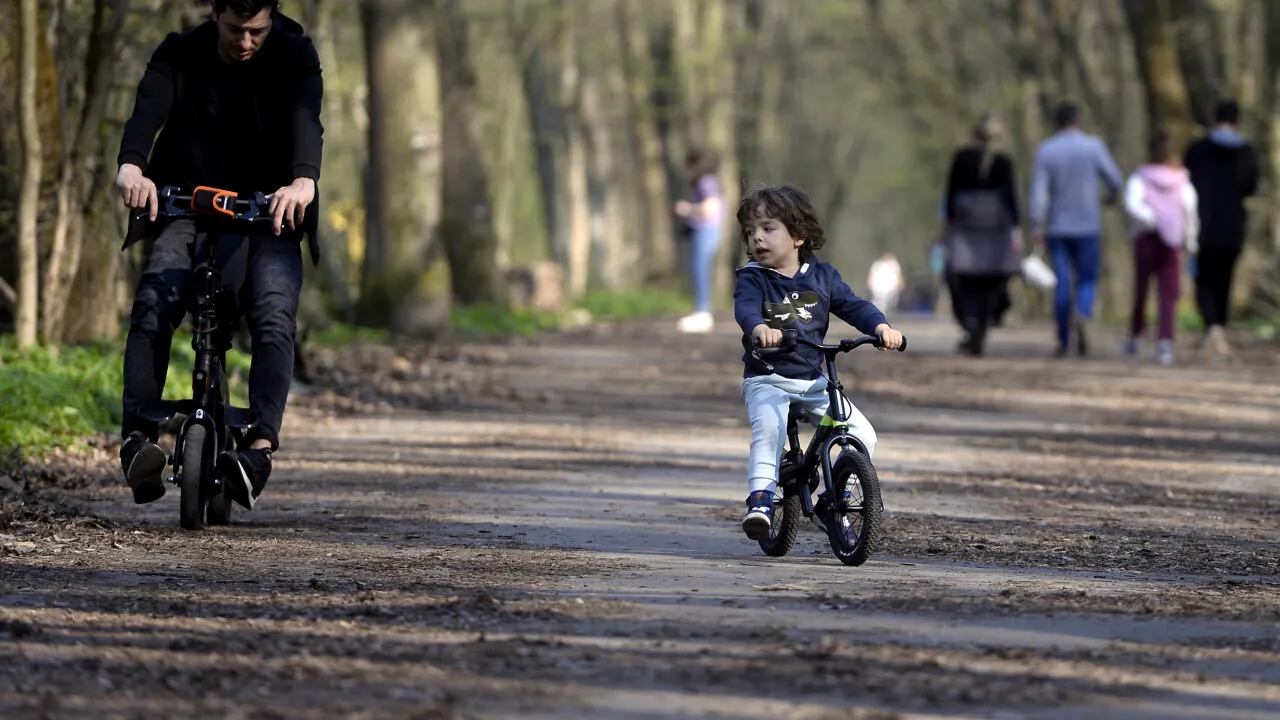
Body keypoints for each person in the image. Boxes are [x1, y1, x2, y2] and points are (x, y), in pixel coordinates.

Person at [115, 0, 323, 510]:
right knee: (152, 306)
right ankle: (137, 442)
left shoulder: (295, 55)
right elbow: (148, 111)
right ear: (214, 14)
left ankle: (256, 452)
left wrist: (302, 180)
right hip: (186, 207)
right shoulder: (180, 53)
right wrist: (132, 166)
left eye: (257, 31)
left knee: (274, 315)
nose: (245, 42)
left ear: (273, 16)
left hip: (268, 215)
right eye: (234, 29)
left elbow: (306, 120)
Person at [732, 185, 904, 539]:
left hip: (813, 380)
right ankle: (762, 500)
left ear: (798, 235)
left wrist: (881, 327)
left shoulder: (823, 276)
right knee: (769, 430)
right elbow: (746, 309)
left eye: (767, 228)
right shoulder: (753, 277)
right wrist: (760, 327)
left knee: (861, 433)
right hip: (768, 377)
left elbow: (853, 305)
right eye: (750, 232)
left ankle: (833, 495)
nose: (757, 239)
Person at [1029, 102, 1124, 357]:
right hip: (1088, 226)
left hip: (1058, 227)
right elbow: (1115, 178)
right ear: (1079, 121)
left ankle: (1063, 338)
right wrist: (1111, 197)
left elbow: (1039, 192)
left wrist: (1037, 223)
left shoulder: (1046, 151)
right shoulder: (1093, 147)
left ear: (1056, 123)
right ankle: (1082, 312)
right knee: (1087, 278)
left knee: (1062, 282)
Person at [936, 111, 1023, 356]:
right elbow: (1012, 201)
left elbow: (950, 196)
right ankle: (980, 327)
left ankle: (970, 324)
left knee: (960, 279)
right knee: (990, 284)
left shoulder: (962, 158)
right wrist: (1016, 231)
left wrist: (946, 226)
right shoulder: (1004, 163)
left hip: (965, 231)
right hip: (995, 233)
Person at [1184, 98, 1260, 357]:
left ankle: (1211, 327)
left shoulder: (1198, 149)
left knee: (1203, 278)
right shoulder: (1247, 152)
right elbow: (1251, 187)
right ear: (1237, 120)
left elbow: (1186, 183)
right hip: (1232, 225)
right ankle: (1220, 327)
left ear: (1215, 118)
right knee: (1225, 279)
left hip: (1202, 224)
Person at [1123, 130, 1200, 365]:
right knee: (1169, 294)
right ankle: (1165, 342)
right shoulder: (1182, 181)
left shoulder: (1140, 178)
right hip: (1172, 243)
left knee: (1141, 290)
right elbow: (1190, 212)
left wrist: (1151, 219)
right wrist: (1190, 240)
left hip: (1146, 240)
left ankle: (1136, 336)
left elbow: (1131, 205)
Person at [673, 148, 724, 334]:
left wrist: (686, 209)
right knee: (698, 269)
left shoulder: (706, 182)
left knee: (700, 269)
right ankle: (701, 310)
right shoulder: (707, 182)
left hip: (706, 229)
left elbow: (710, 208)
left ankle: (703, 313)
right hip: (703, 230)